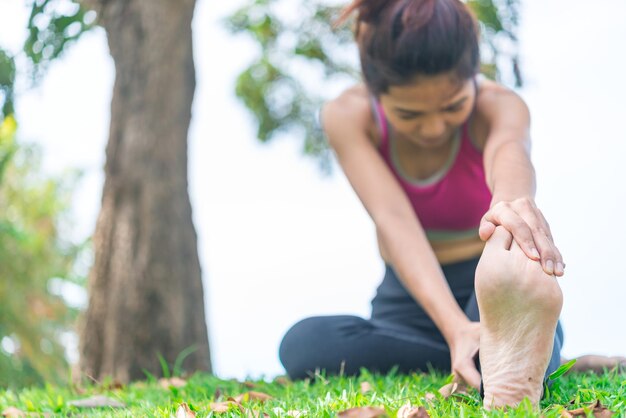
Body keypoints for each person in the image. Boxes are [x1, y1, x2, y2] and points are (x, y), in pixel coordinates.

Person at [278, 0, 622, 408]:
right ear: (375, 89)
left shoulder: (500, 105)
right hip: (408, 296)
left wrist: (513, 203)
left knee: (502, 319)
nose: (434, 127)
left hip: (489, 287)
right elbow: (393, 221)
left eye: (453, 106)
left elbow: (509, 153)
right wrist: (457, 329)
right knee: (303, 345)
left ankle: (507, 346)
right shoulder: (347, 116)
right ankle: (519, 354)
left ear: (473, 76)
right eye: (409, 114)